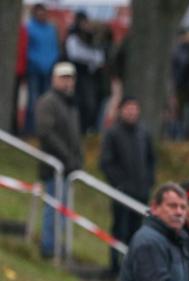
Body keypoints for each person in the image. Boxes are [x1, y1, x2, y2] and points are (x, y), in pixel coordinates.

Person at [100, 96, 156, 275]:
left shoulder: (143, 133)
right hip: (122, 193)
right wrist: (119, 183)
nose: (132, 112)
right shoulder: (113, 133)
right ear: (121, 110)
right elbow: (106, 162)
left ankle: (132, 267)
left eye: (135, 109)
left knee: (137, 231)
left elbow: (151, 160)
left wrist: (148, 182)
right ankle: (114, 265)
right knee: (119, 229)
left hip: (141, 192)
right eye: (128, 108)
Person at [36, 62, 82, 259]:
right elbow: (45, 132)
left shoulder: (71, 105)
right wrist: (66, 157)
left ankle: (55, 245)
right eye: (63, 78)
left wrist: (77, 160)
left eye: (70, 78)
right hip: (53, 165)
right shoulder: (48, 101)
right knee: (53, 207)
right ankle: (48, 247)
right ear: (54, 79)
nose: (67, 82)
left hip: (68, 167)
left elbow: (75, 137)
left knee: (63, 209)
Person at [65, 11, 104, 133]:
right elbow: (75, 54)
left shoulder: (93, 37)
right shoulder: (73, 36)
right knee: (78, 103)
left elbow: (100, 57)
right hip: (76, 74)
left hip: (90, 77)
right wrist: (91, 58)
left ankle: (86, 130)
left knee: (90, 104)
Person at [25, 3, 59, 135]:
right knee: (33, 100)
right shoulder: (29, 28)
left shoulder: (51, 29)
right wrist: (36, 61)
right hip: (34, 69)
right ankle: (30, 129)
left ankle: (45, 129)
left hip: (48, 70)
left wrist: (51, 62)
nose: (42, 15)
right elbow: (27, 49)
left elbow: (54, 47)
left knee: (47, 100)